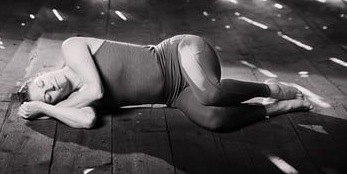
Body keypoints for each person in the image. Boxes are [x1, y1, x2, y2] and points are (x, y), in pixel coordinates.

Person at [16, 34, 312, 131]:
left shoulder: (71, 48)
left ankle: (270, 89)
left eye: (43, 84)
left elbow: (96, 91)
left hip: (179, 52)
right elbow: (89, 119)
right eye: (50, 96)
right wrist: (48, 110)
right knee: (214, 120)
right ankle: (277, 108)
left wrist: (45, 106)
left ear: (41, 73)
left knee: (209, 93)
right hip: (174, 94)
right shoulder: (71, 102)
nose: (51, 88)